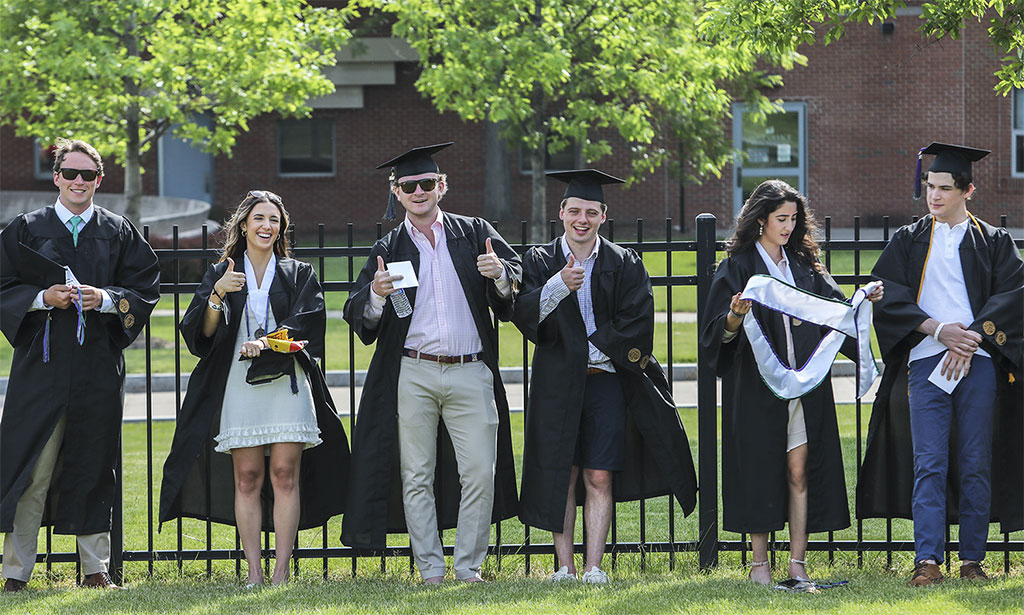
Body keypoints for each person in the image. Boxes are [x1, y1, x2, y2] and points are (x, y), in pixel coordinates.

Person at [341, 142, 522, 583]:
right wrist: (377, 296)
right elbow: (358, 315)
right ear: (397, 192)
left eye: (427, 183)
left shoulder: (474, 231)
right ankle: (431, 569)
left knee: (480, 471)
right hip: (414, 371)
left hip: (470, 368)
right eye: (410, 185)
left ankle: (468, 567)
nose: (419, 191)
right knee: (415, 473)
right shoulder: (389, 246)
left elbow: (515, 284)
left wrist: (499, 274)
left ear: (442, 186)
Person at [512, 169, 698, 583]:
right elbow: (524, 315)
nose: (582, 219)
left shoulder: (622, 261)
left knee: (598, 473)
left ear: (603, 215)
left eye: (591, 212)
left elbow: (638, 320)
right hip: (557, 383)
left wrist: (593, 342)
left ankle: (594, 567)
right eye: (575, 210)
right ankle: (565, 567)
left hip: (605, 379)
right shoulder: (541, 261)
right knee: (563, 473)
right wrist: (559, 285)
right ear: (561, 213)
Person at [158, 191, 348, 587]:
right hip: (238, 383)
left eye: (274, 220)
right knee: (247, 477)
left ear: (281, 227)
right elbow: (201, 336)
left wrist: (264, 343)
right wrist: (217, 293)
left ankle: (280, 572)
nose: (266, 226)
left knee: (284, 475)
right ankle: (254, 573)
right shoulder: (223, 272)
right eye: (259, 218)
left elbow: (308, 323)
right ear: (243, 224)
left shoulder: (297, 273)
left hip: (287, 383)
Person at [699, 179, 883, 586]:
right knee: (760, 468)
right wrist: (734, 315)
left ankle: (797, 563)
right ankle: (759, 565)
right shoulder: (739, 266)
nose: (788, 226)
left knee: (800, 469)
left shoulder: (803, 265)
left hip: (804, 387)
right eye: (781, 218)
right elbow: (715, 333)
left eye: (794, 218)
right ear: (760, 218)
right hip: (756, 386)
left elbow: (836, 311)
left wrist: (861, 301)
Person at [857, 143, 1023, 586]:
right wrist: (938, 331)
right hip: (926, 363)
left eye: (945, 188)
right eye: (930, 187)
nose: (934, 196)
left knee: (975, 462)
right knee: (928, 461)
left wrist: (969, 338)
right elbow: (887, 296)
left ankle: (971, 560)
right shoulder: (908, 241)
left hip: (979, 363)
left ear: (968, 190)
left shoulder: (993, 242)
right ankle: (927, 560)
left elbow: (1012, 298)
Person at [1, 138, 160, 591]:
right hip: (41, 367)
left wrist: (106, 299)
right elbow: (1, 284)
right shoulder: (27, 228)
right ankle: (16, 573)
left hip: (96, 366)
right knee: (32, 467)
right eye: (69, 173)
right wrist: (40, 298)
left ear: (99, 180)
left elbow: (144, 288)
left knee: (94, 463)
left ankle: (95, 570)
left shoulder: (117, 229)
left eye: (87, 175)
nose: (77, 181)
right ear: (56, 177)